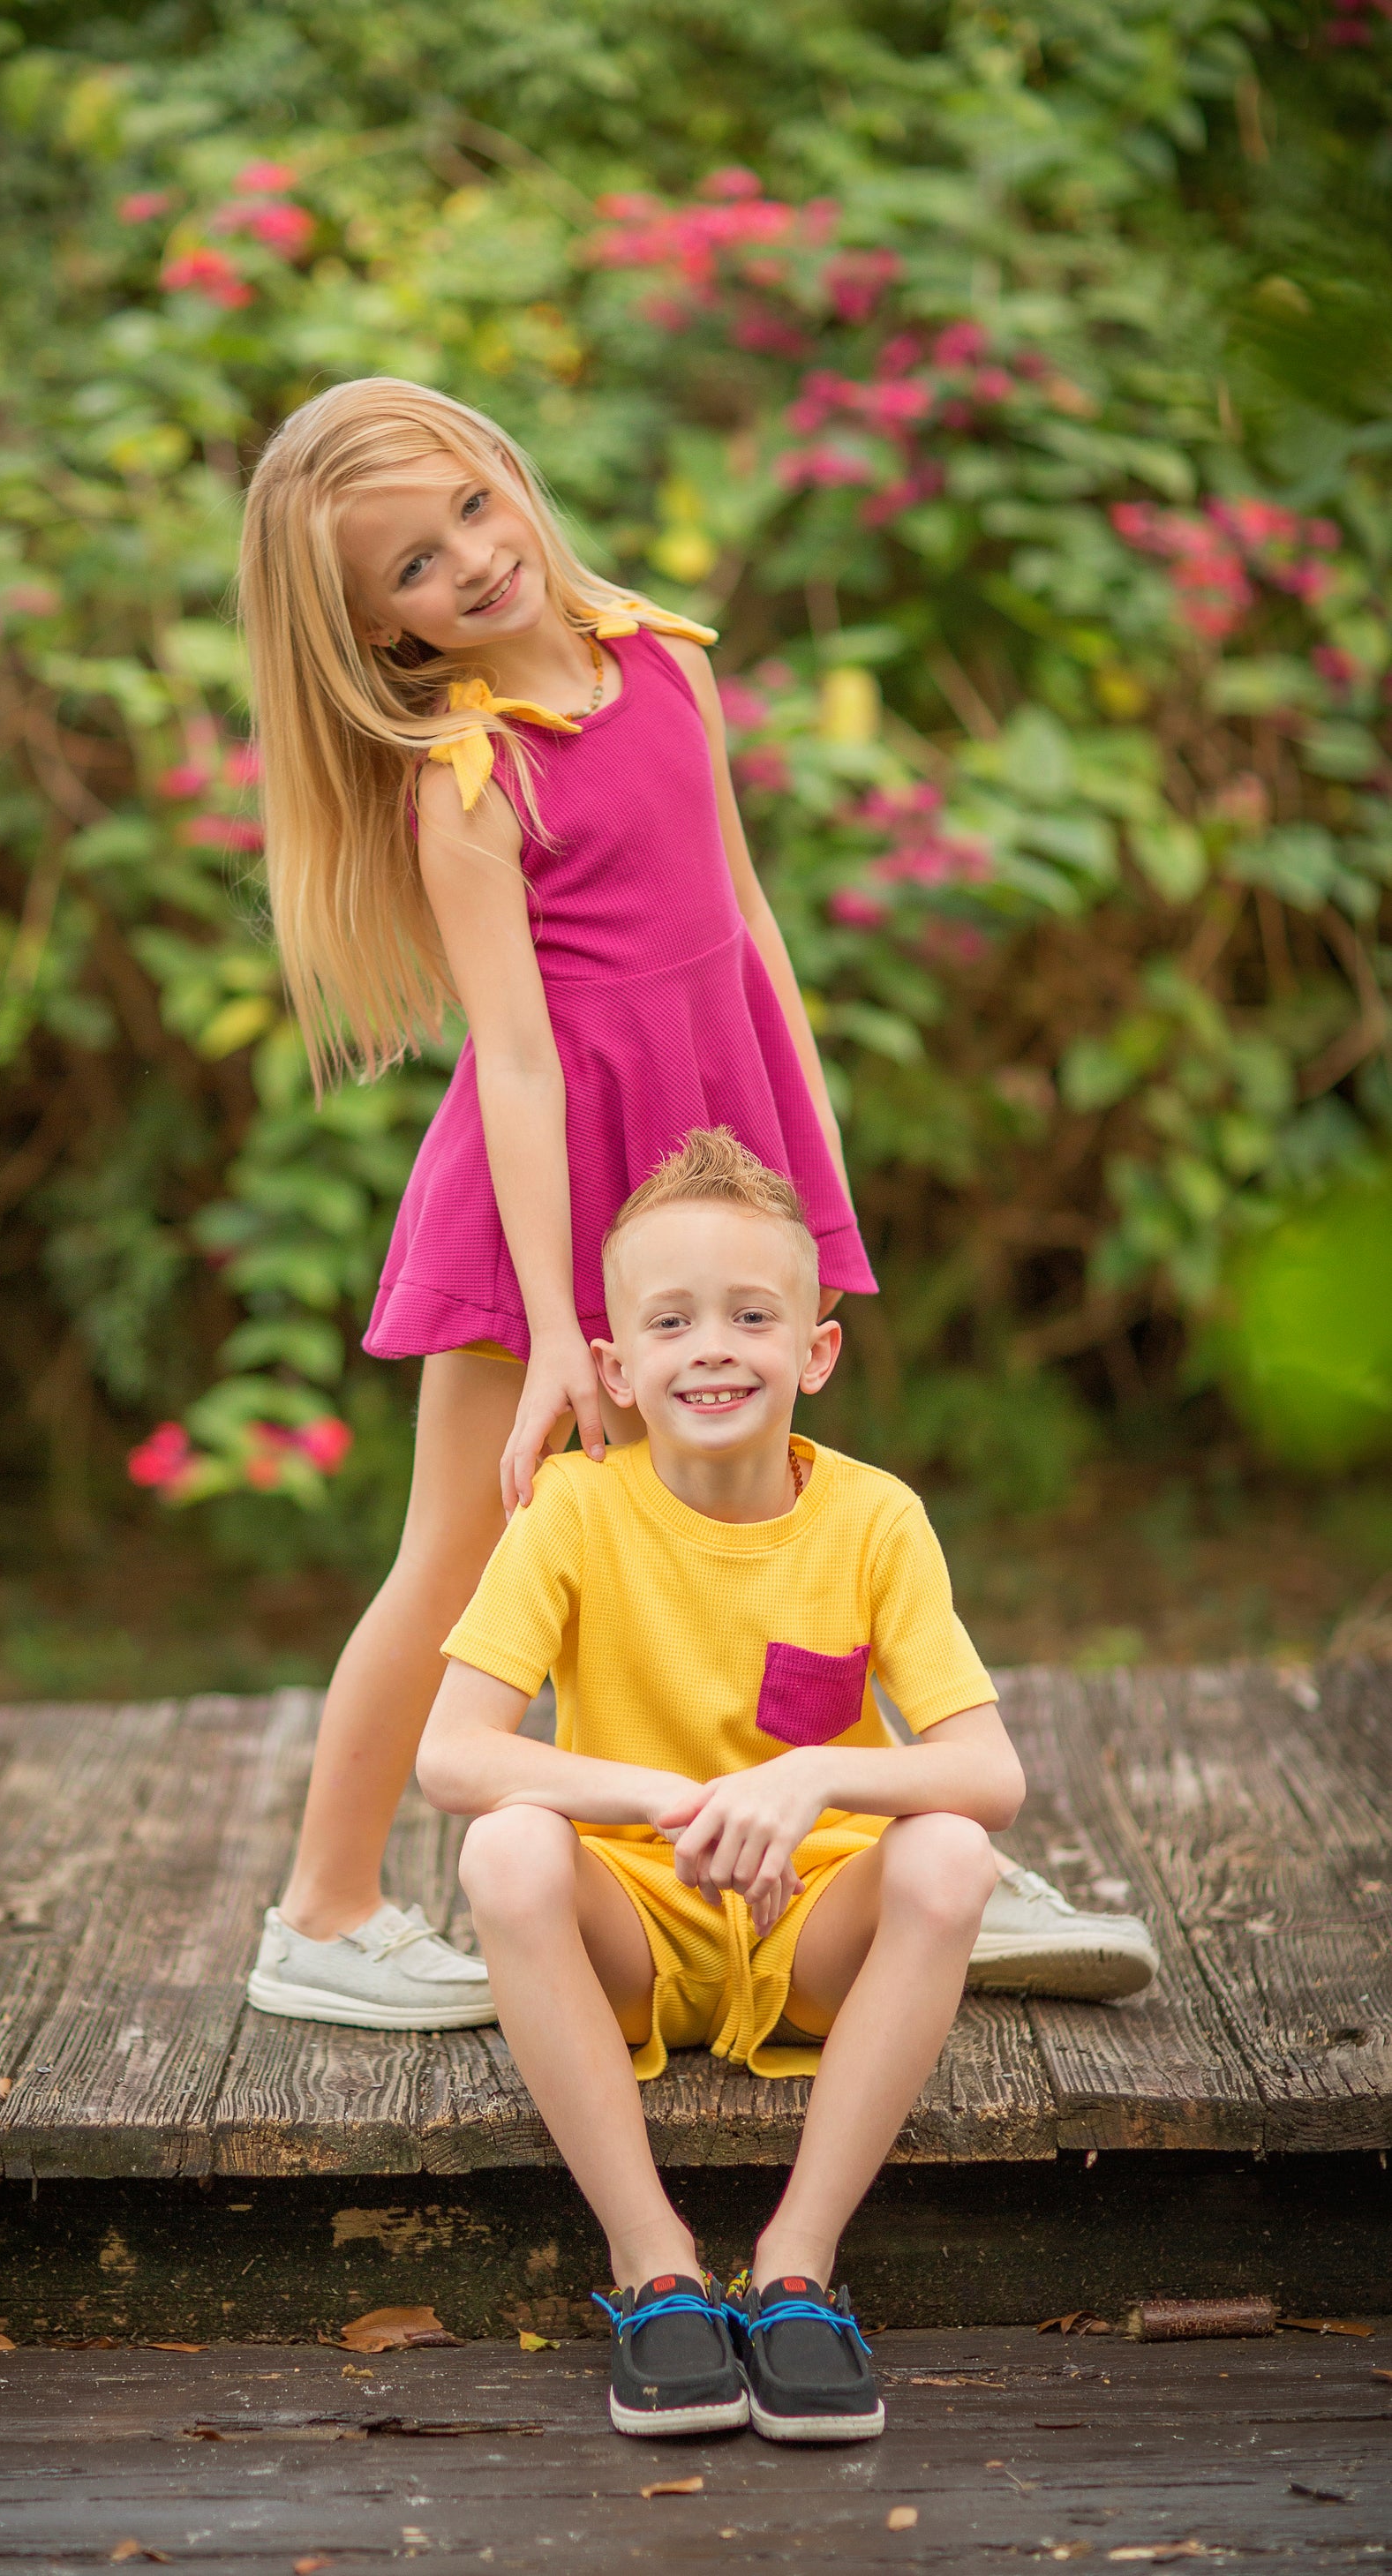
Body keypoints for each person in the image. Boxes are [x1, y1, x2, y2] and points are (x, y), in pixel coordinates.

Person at [237, 374, 1154, 2030]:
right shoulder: (467, 781)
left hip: (715, 1147)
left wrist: (811, 1158)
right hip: (549, 1195)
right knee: (456, 1549)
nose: (471, 561)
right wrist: (561, 1325)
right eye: (414, 567)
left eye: (470, 509)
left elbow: (746, 920)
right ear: (378, 631)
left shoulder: (663, 665)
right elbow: (518, 1063)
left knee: (766, 1509)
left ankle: (879, 1840)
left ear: (508, 475)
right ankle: (323, 1911)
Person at [418, 1129, 1024, 2442]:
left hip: (811, 1928)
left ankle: (797, 2268)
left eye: (752, 1316)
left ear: (815, 1350)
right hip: (634, 1928)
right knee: (505, 1850)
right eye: (670, 1320)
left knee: (950, 1853)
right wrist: (657, 1801)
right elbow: (453, 1753)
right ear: (613, 1368)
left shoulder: (874, 1519)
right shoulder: (573, 1508)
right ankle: (657, 2266)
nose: (712, 1349)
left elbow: (988, 1773)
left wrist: (815, 1775)